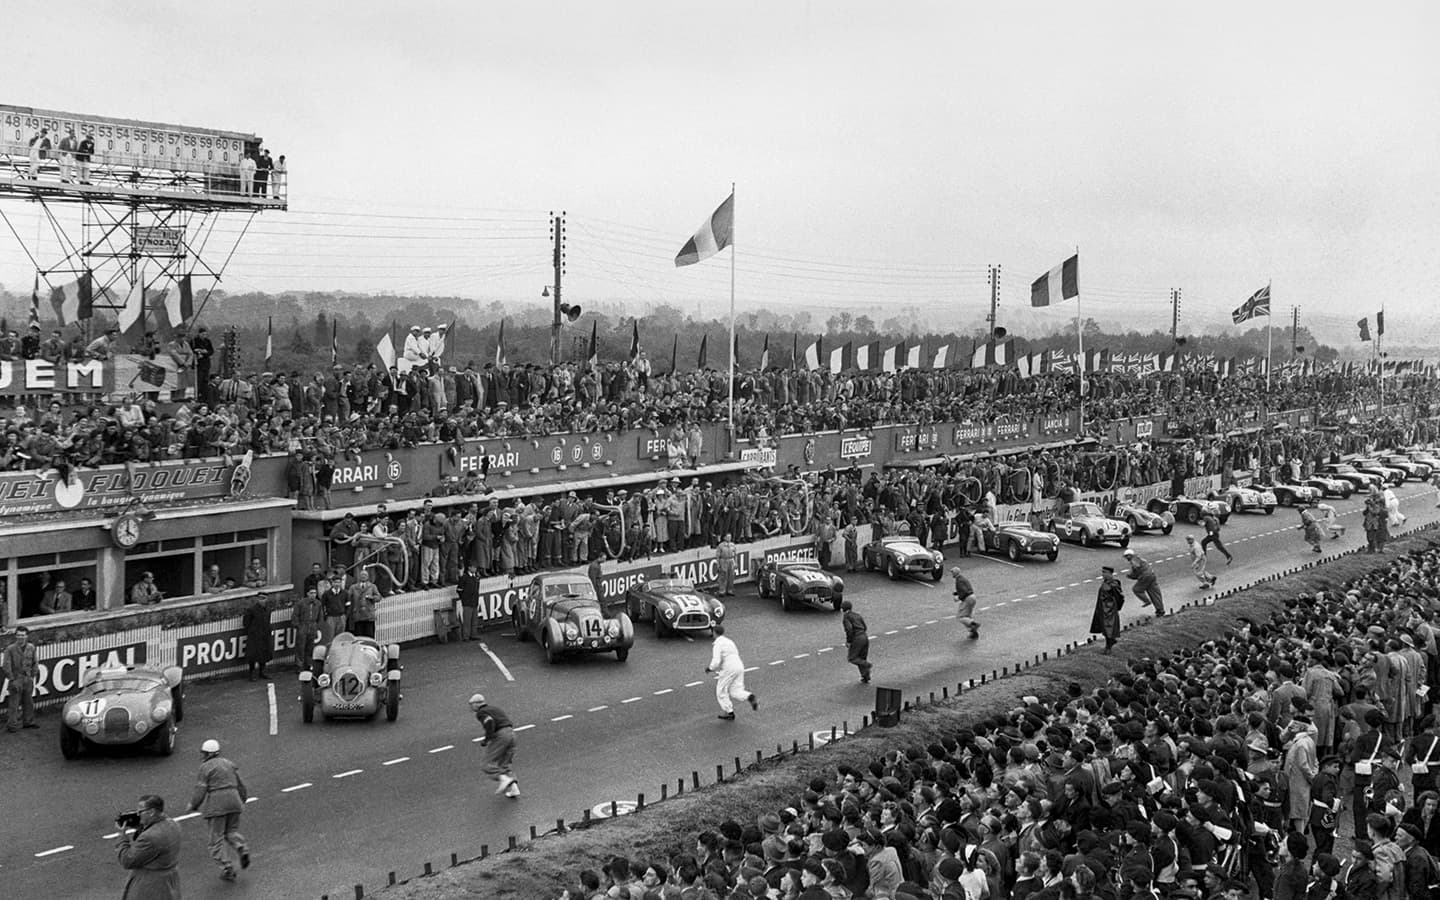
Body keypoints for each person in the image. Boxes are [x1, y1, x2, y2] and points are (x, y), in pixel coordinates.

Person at [186, 738, 250, 882]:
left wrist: (193, 805)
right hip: (234, 801)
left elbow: (200, 790)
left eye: (203, 753)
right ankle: (241, 847)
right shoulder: (229, 764)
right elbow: (241, 785)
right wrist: (242, 800)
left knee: (216, 839)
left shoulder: (205, 767)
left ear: (207, 754)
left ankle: (227, 868)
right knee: (231, 832)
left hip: (217, 804)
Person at [115, 793, 182, 900]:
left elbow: (127, 860)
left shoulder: (149, 837)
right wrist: (141, 828)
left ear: (151, 812)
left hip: (150, 886)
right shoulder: (173, 824)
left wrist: (122, 837)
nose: (137, 815)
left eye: (140, 812)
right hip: (170, 882)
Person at [469, 693, 519, 798]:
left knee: (487, 764)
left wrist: (487, 739)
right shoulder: (495, 708)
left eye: (471, 704)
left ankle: (503, 779)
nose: (471, 707)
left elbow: (489, 722)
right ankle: (514, 789)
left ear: (476, 704)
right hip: (512, 734)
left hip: (501, 736)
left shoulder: (481, 712)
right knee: (504, 764)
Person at [704, 623, 757, 721]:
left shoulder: (717, 644)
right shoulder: (730, 641)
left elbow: (716, 661)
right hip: (739, 665)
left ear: (714, 633)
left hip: (729, 668)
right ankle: (749, 696)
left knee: (721, 691)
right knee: (735, 691)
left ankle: (729, 713)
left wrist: (710, 668)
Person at [2, 625, 39, 731]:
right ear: (15, 636)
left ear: (26, 636)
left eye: (23, 635)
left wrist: (32, 675)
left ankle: (28, 722)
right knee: (14, 704)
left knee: (28, 701)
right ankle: (12, 725)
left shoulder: (31, 647)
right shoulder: (10, 649)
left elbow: (35, 662)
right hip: (16, 678)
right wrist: (12, 679)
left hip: (27, 678)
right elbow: (6, 665)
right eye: (18, 635)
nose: (20, 637)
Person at [1090, 565, 1124, 654]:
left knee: (1109, 628)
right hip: (1102, 608)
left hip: (1110, 609)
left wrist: (1116, 607)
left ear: (1110, 573)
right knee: (1105, 628)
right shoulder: (1106, 582)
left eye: (1104, 572)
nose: (1103, 574)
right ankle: (1109, 643)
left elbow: (1119, 597)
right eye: (1102, 572)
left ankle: (1109, 646)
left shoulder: (1114, 584)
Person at [1122, 548, 1165, 616]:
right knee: (1155, 593)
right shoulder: (1141, 559)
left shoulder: (1134, 559)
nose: (1126, 558)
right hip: (1152, 575)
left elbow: (1136, 568)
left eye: (1127, 556)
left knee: (1136, 589)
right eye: (1126, 556)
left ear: (1131, 555)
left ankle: (1146, 601)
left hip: (1145, 577)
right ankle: (1160, 610)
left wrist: (1130, 575)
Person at [841, 600, 872, 684]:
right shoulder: (857, 615)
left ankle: (867, 665)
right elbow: (865, 627)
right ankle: (866, 677)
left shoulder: (846, 617)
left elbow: (849, 629)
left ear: (842, 609)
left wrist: (849, 641)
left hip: (857, 638)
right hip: (864, 636)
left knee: (852, 658)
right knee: (861, 658)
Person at [242, 595, 272, 681]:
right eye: (260, 599)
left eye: (264, 599)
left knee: (264, 654)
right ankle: (251, 674)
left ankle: (262, 672)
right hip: (255, 636)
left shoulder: (268, 609)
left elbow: (268, 621)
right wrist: (252, 631)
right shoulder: (252, 610)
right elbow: (246, 623)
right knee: (253, 655)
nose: (262, 601)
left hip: (265, 634)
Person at [346, 569, 382, 638]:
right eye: (362, 575)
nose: (363, 576)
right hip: (358, 615)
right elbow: (347, 597)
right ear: (359, 576)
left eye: (365, 575)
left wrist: (372, 597)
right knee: (359, 635)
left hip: (369, 615)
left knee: (370, 635)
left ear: (368, 577)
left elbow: (379, 597)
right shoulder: (353, 587)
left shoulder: (372, 586)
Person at [292, 586, 322, 667]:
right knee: (300, 647)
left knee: (310, 647)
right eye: (311, 593)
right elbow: (295, 616)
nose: (313, 595)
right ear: (307, 593)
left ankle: (308, 664)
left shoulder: (318, 603)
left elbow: (320, 616)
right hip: (303, 626)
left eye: (315, 593)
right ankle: (299, 665)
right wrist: (298, 626)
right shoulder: (301, 603)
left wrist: (317, 626)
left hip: (313, 626)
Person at [457, 561, 480, 641]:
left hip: (474, 601)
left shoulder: (476, 577)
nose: (475, 569)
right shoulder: (464, 578)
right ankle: (466, 636)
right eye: (473, 567)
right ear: (469, 567)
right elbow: (459, 590)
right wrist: (464, 598)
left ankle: (473, 634)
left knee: (474, 620)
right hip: (467, 602)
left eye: (475, 567)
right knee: (467, 620)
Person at [953, 566, 978, 639]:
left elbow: (964, 591)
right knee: (968, 616)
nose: (952, 574)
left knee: (961, 617)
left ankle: (973, 625)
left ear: (955, 573)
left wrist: (959, 597)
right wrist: (957, 593)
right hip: (973, 597)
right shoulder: (963, 578)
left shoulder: (959, 580)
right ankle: (973, 633)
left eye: (952, 572)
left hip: (968, 598)